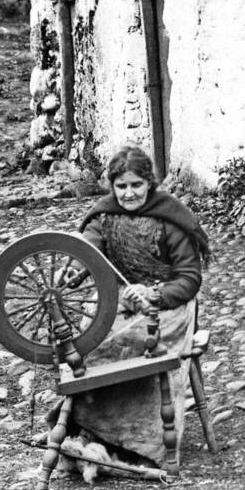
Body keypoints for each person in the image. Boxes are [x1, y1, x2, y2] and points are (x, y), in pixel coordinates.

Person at [56, 145, 212, 469]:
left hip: (169, 307)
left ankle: (144, 443)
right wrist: (71, 270)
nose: (128, 193)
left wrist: (153, 294)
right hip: (119, 302)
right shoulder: (103, 217)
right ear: (111, 187)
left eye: (136, 185)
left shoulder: (171, 217)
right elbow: (87, 253)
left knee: (144, 344)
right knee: (94, 340)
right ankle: (93, 431)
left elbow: (189, 279)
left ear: (149, 183)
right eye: (121, 186)